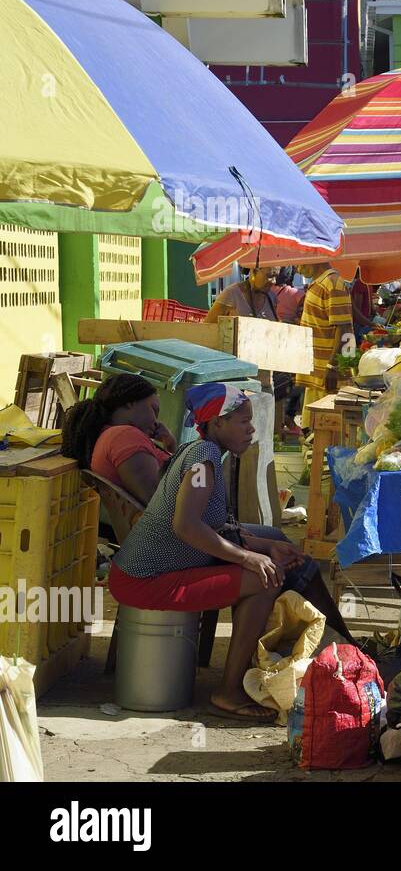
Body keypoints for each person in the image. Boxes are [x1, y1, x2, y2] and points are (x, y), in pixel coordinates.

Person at [107, 383, 356, 721]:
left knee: (278, 566)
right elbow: (187, 526)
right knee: (264, 579)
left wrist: (268, 546)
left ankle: (343, 651)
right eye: (243, 421)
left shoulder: (204, 453)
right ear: (218, 423)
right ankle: (230, 691)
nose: (252, 428)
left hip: (156, 573)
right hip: (146, 579)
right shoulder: (202, 462)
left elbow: (219, 526)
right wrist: (248, 557)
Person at [62, 374, 177, 505]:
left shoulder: (111, 437)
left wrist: (170, 444)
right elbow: (158, 502)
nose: (157, 422)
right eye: (154, 410)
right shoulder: (124, 436)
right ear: (131, 401)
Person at [295, 263, 354, 426]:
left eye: (299, 262)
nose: (298, 269)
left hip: (328, 377)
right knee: (312, 432)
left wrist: (332, 367)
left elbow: (344, 329)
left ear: (313, 257)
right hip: (317, 373)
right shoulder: (320, 284)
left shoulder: (333, 283)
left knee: (327, 433)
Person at [206, 266, 279, 323]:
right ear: (254, 271)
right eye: (270, 275)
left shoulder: (272, 298)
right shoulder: (232, 294)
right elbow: (207, 326)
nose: (274, 281)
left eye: (276, 276)